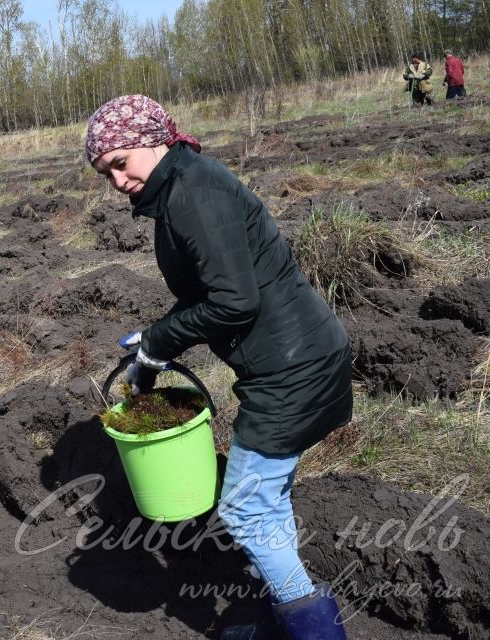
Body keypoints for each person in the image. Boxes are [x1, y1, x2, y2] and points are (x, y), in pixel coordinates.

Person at [86, 95, 352, 639]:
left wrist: (161, 341)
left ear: (155, 140)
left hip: (292, 369)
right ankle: (279, 621)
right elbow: (217, 288)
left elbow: (235, 302)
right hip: (294, 356)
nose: (116, 180)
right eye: (104, 172)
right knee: (265, 499)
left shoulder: (192, 195)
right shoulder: (181, 185)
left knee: (247, 509)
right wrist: (154, 340)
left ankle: (315, 632)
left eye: (121, 161)